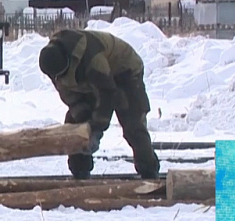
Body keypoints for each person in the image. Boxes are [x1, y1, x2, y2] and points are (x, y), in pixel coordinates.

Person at [37, 28, 160, 180]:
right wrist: (83, 120)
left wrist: (96, 129)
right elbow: (69, 95)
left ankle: (149, 171)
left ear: (68, 63)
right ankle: (80, 172)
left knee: (132, 124)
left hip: (125, 72)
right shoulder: (53, 62)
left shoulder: (92, 58)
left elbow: (107, 95)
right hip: (92, 80)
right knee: (75, 125)